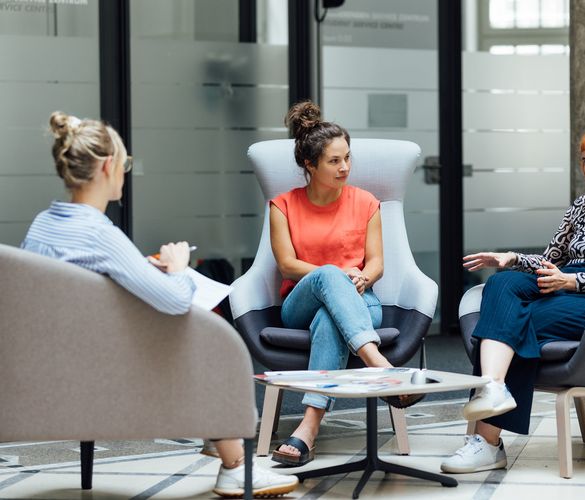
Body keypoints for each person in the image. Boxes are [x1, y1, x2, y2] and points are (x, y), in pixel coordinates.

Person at [21, 111, 298, 499]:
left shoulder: (44, 224)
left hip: (45, 371)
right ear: (106, 166)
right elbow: (173, 301)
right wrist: (178, 269)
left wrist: (138, 271)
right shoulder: (99, 233)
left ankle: (225, 447)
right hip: (101, 377)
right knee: (203, 343)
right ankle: (235, 466)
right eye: (125, 164)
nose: (125, 172)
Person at [440, 121, 585, 474]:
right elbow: (551, 259)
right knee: (502, 285)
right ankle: (494, 387)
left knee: (515, 322)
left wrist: (571, 282)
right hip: (561, 280)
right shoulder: (581, 206)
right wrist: (512, 259)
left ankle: (487, 442)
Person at [269, 101, 422, 467]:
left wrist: (362, 276)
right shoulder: (283, 206)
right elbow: (288, 266)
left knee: (330, 320)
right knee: (328, 275)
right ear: (309, 164)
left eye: (347, 158)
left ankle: (308, 428)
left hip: (360, 300)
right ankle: (379, 365)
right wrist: (339, 274)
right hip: (299, 304)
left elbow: (377, 265)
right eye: (334, 161)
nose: (345, 168)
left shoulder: (366, 202)